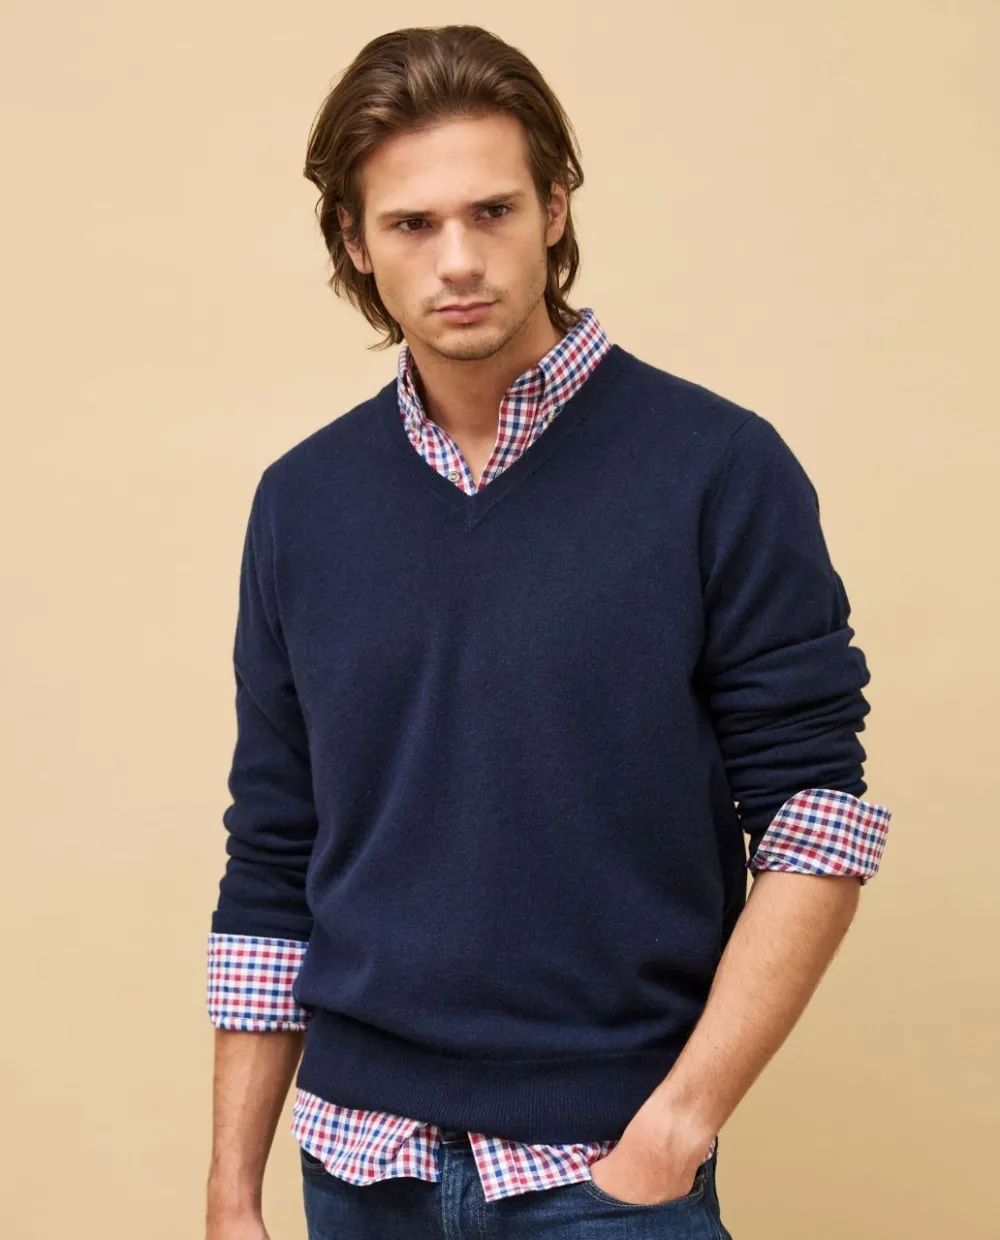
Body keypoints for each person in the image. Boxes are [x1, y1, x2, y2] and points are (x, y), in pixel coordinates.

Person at [203, 24, 892, 1240]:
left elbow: (814, 819)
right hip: (355, 1170)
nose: (458, 260)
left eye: (494, 211)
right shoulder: (301, 503)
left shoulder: (716, 469)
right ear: (354, 242)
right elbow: (273, 853)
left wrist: (674, 1126)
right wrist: (229, 1191)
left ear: (556, 208)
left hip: (604, 1173)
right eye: (412, 224)